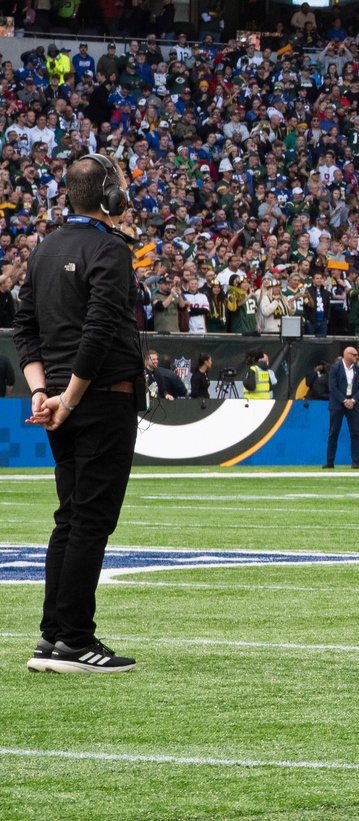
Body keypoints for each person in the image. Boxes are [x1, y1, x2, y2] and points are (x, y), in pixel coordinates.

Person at [19, 152, 145, 674]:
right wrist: (67, 400)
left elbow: (25, 329)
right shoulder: (110, 249)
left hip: (57, 401)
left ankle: (53, 636)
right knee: (90, 521)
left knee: (69, 518)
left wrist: (41, 394)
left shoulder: (44, 248)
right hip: (99, 399)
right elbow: (96, 334)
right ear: (111, 196)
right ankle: (75, 639)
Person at [326, 345, 359, 469]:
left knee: (355, 433)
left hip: (353, 405)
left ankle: (355, 461)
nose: (356, 357)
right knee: (333, 433)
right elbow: (332, 387)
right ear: (347, 355)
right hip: (337, 405)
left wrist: (353, 400)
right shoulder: (335, 368)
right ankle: (330, 461)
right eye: (354, 355)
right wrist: (343, 400)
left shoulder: (358, 370)